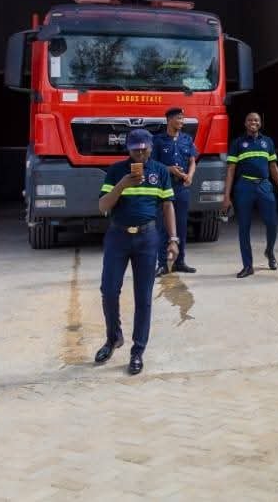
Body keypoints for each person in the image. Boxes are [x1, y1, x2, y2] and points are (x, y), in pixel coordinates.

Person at [94, 128, 176, 375]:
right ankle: (113, 338)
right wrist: (122, 184)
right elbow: (102, 206)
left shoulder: (161, 171)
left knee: (143, 297)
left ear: (151, 147)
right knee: (109, 290)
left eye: (144, 148)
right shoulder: (116, 170)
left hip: (147, 238)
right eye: (135, 148)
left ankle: (137, 351)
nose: (140, 152)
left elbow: (167, 206)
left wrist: (173, 239)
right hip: (118, 236)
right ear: (128, 149)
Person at [224, 112, 278, 278]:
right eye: (250, 120)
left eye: (256, 120)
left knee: (272, 223)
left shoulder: (267, 142)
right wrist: (226, 196)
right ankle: (248, 266)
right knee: (244, 227)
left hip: (264, 186)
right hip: (244, 186)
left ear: (260, 123)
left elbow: (273, 167)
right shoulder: (238, 143)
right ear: (245, 123)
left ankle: (270, 252)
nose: (253, 122)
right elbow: (231, 170)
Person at [152, 107, 198, 276]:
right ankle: (162, 263)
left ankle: (180, 262)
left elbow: (192, 161)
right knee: (164, 227)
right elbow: (152, 164)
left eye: (182, 118)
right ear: (169, 120)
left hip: (182, 187)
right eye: (178, 118)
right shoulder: (158, 140)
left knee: (182, 225)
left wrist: (190, 176)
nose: (181, 121)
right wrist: (169, 169)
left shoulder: (187, 139)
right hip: (165, 188)